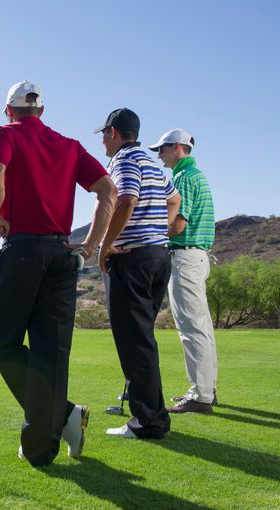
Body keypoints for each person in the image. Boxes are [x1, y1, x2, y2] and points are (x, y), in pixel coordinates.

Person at [0, 80, 117, 466]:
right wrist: (89, 246)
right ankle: (45, 443)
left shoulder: (4, 133)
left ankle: (62, 415)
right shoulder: (69, 146)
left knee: (4, 343)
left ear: (9, 110)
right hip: (62, 255)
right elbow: (107, 191)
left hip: (23, 251)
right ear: (41, 111)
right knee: (51, 353)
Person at [95, 108, 181, 439]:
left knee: (134, 342)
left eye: (104, 134)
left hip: (132, 259)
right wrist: (160, 231)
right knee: (142, 338)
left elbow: (126, 200)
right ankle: (150, 412)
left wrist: (106, 244)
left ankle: (148, 422)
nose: (102, 140)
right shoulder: (150, 162)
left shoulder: (124, 161)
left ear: (114, 132)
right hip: (158, 256)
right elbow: (174, 202)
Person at [149, 129, 218, 414]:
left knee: (191, 328)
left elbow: (178, 223)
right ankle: (206, 390)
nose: (159, 155)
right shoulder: (194, 175)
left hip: (186, 257)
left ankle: (200, 395)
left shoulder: (183, 178)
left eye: (162, 149)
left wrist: (150, 235)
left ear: (177, 147)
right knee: (201, 326)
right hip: (196, 258)